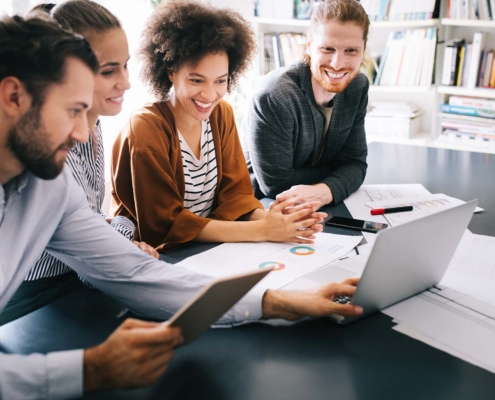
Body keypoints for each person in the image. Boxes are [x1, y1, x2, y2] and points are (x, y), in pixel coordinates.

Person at [0, 12, 362, 399]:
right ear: (14, 97)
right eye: (74, 110)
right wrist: (88, 370)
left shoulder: (51, 185)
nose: (82, 133)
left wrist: (280, 302)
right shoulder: (114, 142)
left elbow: (134, 273)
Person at [110, 0, 326, 253]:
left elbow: (235, 195)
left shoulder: (220, 113)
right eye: (196, 80)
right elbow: (166, 225)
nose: (209, 94)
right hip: (156, 255)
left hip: (208, 248)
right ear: (171, 71)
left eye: (220, 81)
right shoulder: (145, 129)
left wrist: (276, 220)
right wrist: (262, 230)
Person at [0, 0, 158, 327]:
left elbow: (86, 222)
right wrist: (120, 235)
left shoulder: (91, 126)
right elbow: (88, 250)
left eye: (125, 65)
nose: (126, 82)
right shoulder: (47, 146)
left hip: (72, 284)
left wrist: (117, 232)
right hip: (37, 299)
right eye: (108, 70)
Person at [246, 0, 369, 208]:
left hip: (320, 204)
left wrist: (326, 190)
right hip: (265, 207)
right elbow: (275, 184)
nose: (337, 64)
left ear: (364, 50)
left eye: (351, 50)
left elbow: (356, 164)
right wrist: (337, 172)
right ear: (310, 46)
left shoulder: (357, 86)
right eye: (328, 49)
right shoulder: (275, 96)